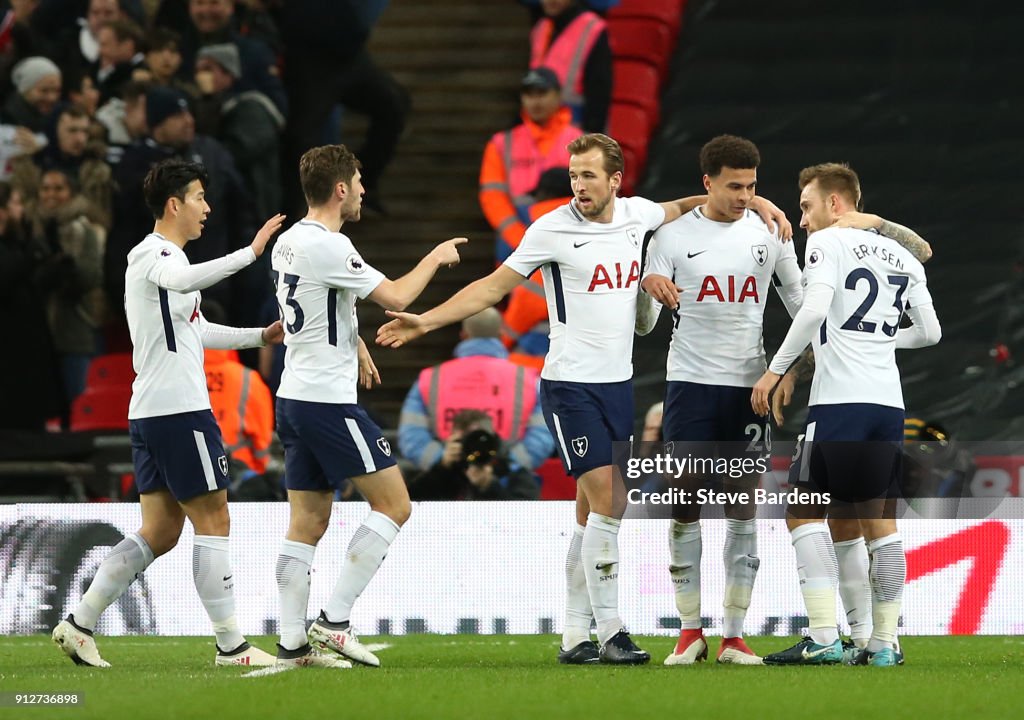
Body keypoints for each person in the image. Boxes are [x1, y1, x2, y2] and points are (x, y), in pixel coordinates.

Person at [377, 132, 791, 665]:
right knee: (611, 500)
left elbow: (697, 202)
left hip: (617, 386)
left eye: (588, 175)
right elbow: (491, 288)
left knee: (588, 516)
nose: (578, 186)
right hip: (569, 385)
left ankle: (574, 635)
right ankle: (612, 631)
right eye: (574, 175)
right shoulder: (550, 229)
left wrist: (758, 201)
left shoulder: (638, 216)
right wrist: (425, 321)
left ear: (615, 180)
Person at [51, 158, 286, 668]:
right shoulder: (152, 255)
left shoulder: (168, 266)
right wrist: (250, 253)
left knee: (160, 530)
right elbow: (183, 281)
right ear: (174, 204)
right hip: (179, 411)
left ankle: (79, 622)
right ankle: (231, 647)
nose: (208, 208)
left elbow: (195, 330)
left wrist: (258, 336)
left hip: (154, 412)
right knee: (214, 518)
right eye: (200, 197)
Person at [271, 144, 466, 669]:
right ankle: (333, 623)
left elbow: (313, 309)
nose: (363, 190)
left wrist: (353, 343)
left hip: (293, 396)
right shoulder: (332, 248)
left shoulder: (290, 243)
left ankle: (291, 646)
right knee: (395, 504)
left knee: (307, 522)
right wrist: (435, 256)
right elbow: (399, 298)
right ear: (340, 189)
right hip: (326, 404)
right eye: (358, 182)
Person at [751, 162, 941, 667]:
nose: (805, 219)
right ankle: (882, 644)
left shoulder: (827, 243)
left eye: (808, 206)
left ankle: (821, 638)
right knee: (875, 520)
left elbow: (812, 311)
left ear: (835, 203)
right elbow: (930, 333)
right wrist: (875, 341)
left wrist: (775, 370)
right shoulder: (901, 253)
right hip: (886, 402)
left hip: (839, 406)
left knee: (802, 512)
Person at [637, 135, 802, 665]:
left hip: (749, 385)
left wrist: (787, 368)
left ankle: (733, 635)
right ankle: (689, 631)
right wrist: (649, 283)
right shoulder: (671, 235)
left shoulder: (771, 232)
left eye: (752, 186)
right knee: (682, 498)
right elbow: (645, 320)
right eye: (734, 186)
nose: (744, 196)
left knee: (742, 504)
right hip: (689, 383)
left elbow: (800, 302)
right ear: (707, 182)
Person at [398, 307, 553, 475]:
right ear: (502, 335)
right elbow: (542, 437)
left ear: (463, 335)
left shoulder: (429, 379)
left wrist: (443, 462)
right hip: (506, 489)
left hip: (447, 490)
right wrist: (504, 467)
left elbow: (411, 437)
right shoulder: (529, 380)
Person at [479, 66, 582, 263]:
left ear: (558, 95)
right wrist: (517, 236)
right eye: (529, 94)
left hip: (568, 238)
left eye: (542, 93)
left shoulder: (582, 142)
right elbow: (492, 196)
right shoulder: (502, 144)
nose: (535, 101)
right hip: (516, 238)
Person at [407, 410, 542, 501]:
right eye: (467, 441)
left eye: (481, 440)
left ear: (493, 438)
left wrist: (489, 486)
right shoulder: (445, 472)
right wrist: (442, 468)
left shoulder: (512, 472)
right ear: (453, 440)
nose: (475, 447)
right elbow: (410, 501)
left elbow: (526, 516)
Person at [528, 0, 612, 132]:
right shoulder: (540, 29)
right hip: (541, 135)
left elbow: (599, 98)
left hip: (578, 137)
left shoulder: (592, 29)